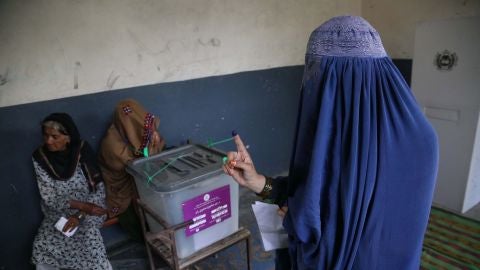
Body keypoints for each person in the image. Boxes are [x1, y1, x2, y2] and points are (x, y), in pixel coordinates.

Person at [224, 15, 439, 270]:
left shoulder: (409, 144)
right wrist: (259, 182)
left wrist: (296, 220)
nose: (311, 84)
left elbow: (324, 231)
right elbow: (312, 192)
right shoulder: (424, 139)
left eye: (318, 73)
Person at [31, 113, 111, 270]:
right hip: (59, 208)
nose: (48, 141)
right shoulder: (40, 157)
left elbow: (98, 188)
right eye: (45, 135)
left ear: (68, 137)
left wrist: (80, 214)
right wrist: (79, 206)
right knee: (43, 243)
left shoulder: (82, 151)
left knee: (88, 241)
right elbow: (49, 197)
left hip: (91, 207)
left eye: (54, 136)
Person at [98, 99, 165, 240]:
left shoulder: (139, 135)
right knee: (146, 210)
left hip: (141, 180)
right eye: (139, 128)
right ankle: (152, 238)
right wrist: (151, 148)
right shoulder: (111, 145)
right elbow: (138, 169)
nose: (146, 132)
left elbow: (151, 154)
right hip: (123, 189)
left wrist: (155, 139)